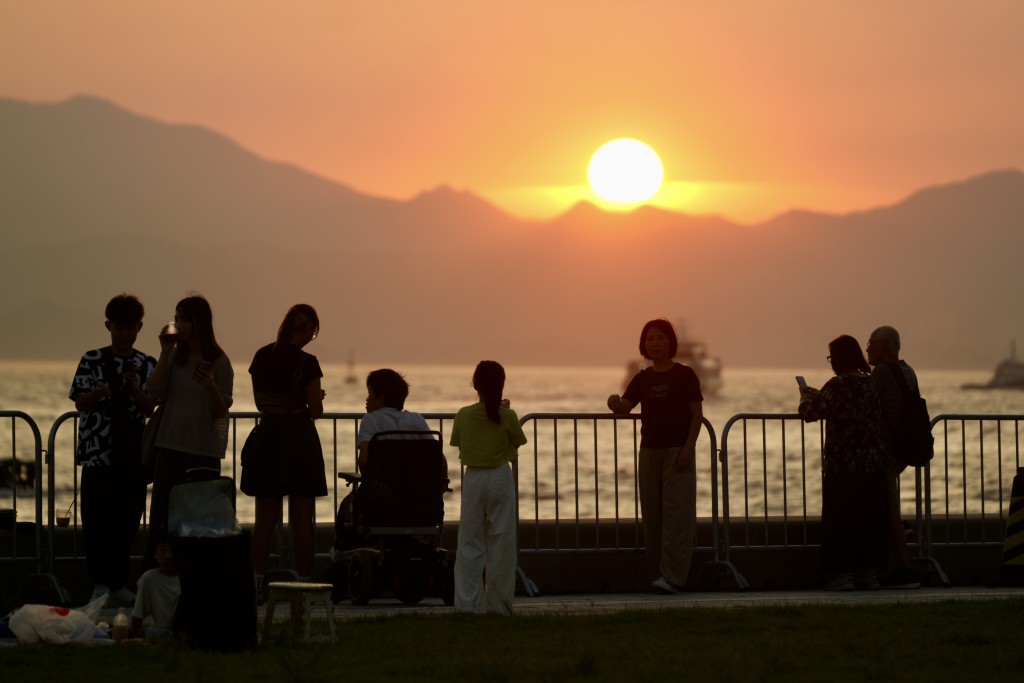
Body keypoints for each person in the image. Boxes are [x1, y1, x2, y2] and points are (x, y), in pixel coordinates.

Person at [69, 294, 157, 605]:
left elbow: (150, 409)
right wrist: (99, 392)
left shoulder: (148, 365)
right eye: (118, 327)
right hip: (97, 454)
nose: (124, 334)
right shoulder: (91, 359)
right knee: (96, 520)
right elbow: (79, 402)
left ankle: (119, 583)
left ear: (139, 327)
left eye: (130, 327)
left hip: (134, 455)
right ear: (108, 325)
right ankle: (100, 583)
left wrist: (130, 386)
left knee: (129, 519)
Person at [607, 319, 703, 594]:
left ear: (670, 342)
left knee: (677, 515)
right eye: (650, 339)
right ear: (643, 345)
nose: (655, 343)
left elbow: (697, 415)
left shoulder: (685, 375)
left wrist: (688, 449)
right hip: (648, 451)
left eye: (660, 338)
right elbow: (626, 405)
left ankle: (674, 577)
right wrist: (614, 402)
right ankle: (660, 572)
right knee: (653, 514)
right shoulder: (643, 378)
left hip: (677, 451)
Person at [241, 304, 327, 589]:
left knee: (265, 518)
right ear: (310, 330)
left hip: (269, 436)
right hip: (299, 439)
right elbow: (315, 410)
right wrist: (317, 396)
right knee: (302, 517)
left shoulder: (262, 355)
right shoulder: (308, 362)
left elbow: (260, 403)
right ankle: (303, 582)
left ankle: (256, 581)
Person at [144, 295, 233, 565]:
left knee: (199, 520)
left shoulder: (219, 361)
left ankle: (197, 577)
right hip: (169, 445)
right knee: (161, 517)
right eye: (177, 318)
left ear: (199, 322)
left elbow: (221, 410)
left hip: (202, 451)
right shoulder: (174, 356)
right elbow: (154, 390)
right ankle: (154, 576)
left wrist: (209, 386)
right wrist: (163, 351)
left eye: (183, 319)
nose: (178, 324)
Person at [798, 334, 890, 590]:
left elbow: (810, 413)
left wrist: (806, 397)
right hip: (872, 464)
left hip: (843, 465)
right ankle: (868, 574)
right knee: (867, 521)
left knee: (841, 521)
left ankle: (843, 576)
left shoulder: (837, 385)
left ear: (838, 359)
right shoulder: (870, 384)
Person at [451, 361, 527, 614]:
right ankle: (500, 606)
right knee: (501, 543)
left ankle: (467, 606)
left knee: (469, 543)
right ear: (501, 385)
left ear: (475, 384)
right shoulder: (508, 416)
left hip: (473, 478)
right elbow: (517, 442)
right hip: (499, 478)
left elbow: (459, 444)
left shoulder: (463, 414)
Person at [867, 325, 923, 589]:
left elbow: (865, 399)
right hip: (904, 449)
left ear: (886, 345)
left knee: (889, 510)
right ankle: (903, 532)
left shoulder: (881, 372)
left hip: (887, 451)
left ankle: (904, 570)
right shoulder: (908, 370)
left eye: (872, 343)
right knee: (883, 504)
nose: (868, 348)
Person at [131, 525, 180, 640]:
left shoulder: (189, 577)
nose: (169, 556)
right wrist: (136, 637)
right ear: (155, 554)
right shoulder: (149, 578)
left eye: (174, 550)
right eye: (163, 550)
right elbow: (137, 615)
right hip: (164, 632)